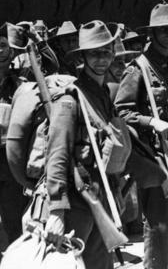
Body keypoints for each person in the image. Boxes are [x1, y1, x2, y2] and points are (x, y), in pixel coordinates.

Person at [115, 3, 168, 269]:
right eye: (162, 31)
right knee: (158, 224)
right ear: (152, 34)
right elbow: (121, 112)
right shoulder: (137, 68)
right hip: (153, 157)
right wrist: (151, 121)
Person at [44, 21, 129, 269]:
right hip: (77, 199)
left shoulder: (103, 95)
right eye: (94, 53)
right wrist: (57, 211)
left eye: (106, 51)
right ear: (83, 57)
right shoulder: (71, 100)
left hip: (101, 193)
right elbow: (57, 154)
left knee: (101, 264)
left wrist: (115, 189)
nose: (102, 59)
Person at [0, 24, 28, 247]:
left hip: (9, 164)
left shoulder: (21, 84)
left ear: (12, 51)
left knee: (14, 222)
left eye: (3, 45)